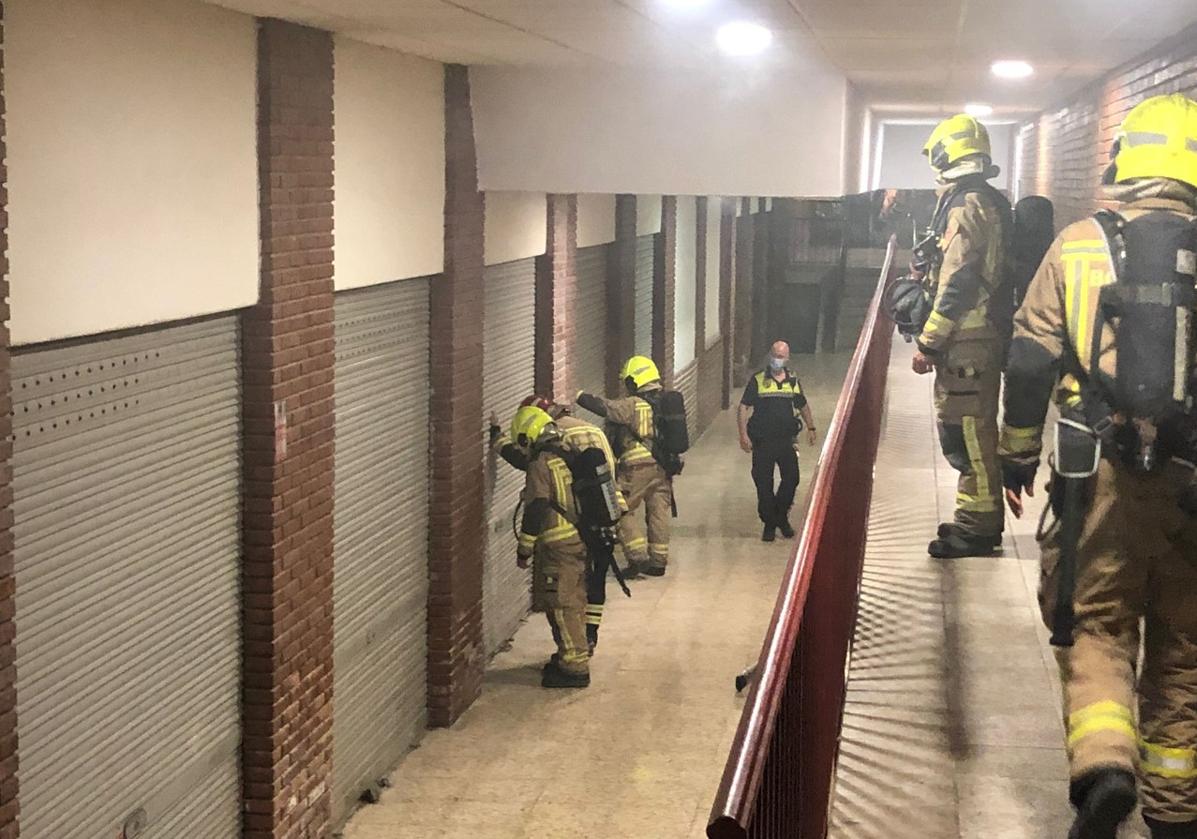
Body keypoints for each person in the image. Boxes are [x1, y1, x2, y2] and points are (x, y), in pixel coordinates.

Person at [999, 93, 1197, 839]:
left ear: (1128, 158)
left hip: (1100, 477)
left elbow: (1027, 360)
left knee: (1097, 626)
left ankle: (1105, 768)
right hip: (1192, 484)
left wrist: (1017, 451)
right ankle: (1176, 811)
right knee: (1183, 642)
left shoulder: (1079, 243)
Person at [912, 113, 1011, 558]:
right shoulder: (979, 199)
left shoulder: (967, 204)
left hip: (968, 341)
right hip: (973, 339)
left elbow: (959, 279)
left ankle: (979, 528)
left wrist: (929, 340)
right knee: (964, 427)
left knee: (970, 432)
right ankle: (973, 517)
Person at [491, 395, 624, 652]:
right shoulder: (570, 445)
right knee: (587, 587)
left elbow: (537, 504)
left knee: (564, 601)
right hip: (595, 524)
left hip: (562, 540)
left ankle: (575, 661)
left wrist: (524, 549)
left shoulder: (543, 460)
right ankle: (588, 638)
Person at [576, 356, 672, 577]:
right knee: (658, 512)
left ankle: (637, 557)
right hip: (663, 467)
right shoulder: (664, 403)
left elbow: (606, 408)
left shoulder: (634, 404)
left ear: (634, 381)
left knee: (620, 509)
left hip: (637, 468)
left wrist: (578, 396)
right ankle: (658, 561)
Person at [737, 340, 818, 542]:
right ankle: (769, 524)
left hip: (786, 440)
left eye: (781, 356)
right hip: (763, 441)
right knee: (763, 483)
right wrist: (743, 434)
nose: (777, 360)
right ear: (769, 355)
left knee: (792, 479)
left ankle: (779, 516)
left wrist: (811, 427)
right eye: (775, 355)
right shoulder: (757, 381)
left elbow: (802, 405)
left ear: (787, 358)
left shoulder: (793, 381)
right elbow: (743, 407)